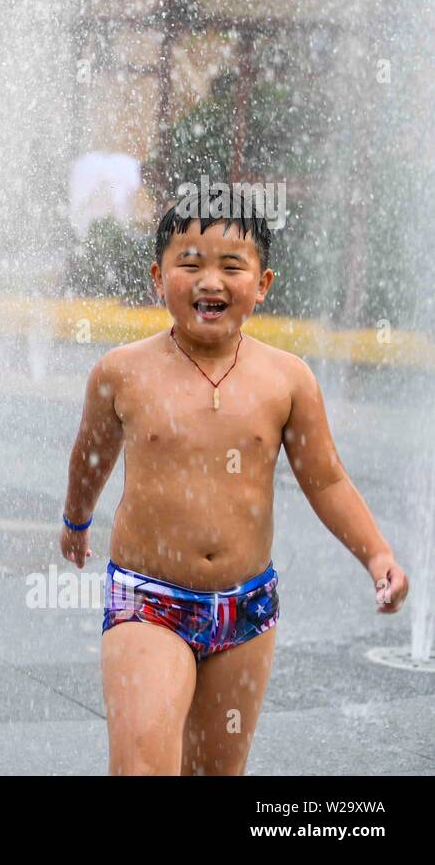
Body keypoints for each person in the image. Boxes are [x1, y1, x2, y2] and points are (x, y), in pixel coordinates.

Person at [59, 186, 408, 775]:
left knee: (219, 772)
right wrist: (76, 519)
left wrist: (378, 557)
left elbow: (326, 482)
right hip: (150, 600)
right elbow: (90, 455)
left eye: (231, 266)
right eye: (189, 263)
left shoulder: (286, 380)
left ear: (263, 284)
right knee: (142, 768)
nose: (209, 281)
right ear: (157, 275)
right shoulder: (123, 372)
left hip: (245, 609)